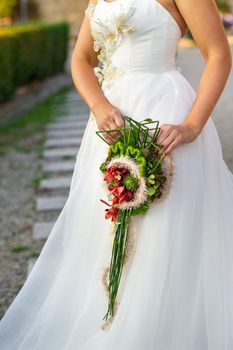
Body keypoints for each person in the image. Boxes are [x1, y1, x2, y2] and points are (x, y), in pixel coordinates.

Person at [0, 0, 232, 349]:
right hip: (110, 124)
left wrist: (191, 125)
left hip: (163, 118)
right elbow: (81, 59)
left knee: (165, 228)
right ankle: (112, 318)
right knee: (104, 228)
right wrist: (99, 105)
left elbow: (218, 53)